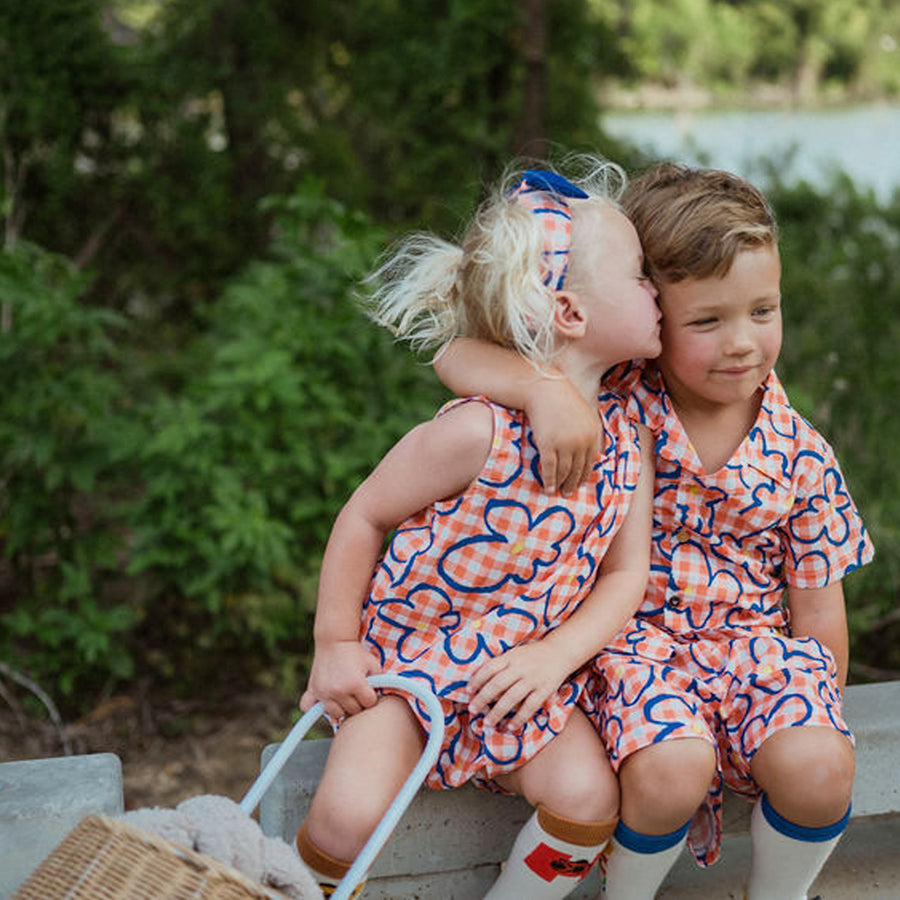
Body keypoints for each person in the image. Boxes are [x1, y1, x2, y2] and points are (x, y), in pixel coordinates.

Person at [434, 162, 875, 900]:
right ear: (649, 314)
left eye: (763, 311)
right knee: (671, 768)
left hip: (757, 655)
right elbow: (454, 353)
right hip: (631, 650)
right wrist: (542, 392)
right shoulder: (613, 395)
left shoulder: (799, 452)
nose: (742, 342)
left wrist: (810, 706)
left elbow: (819, 611)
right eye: (707, 321)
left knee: (820, 767)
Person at [295, 161, 662, 899]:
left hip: (520, 680)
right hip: (411, 671)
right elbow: (364, 513)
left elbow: (626, 574)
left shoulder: (629, 436)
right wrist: (336, 643)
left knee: (588, 799)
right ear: (570, 313)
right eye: (640, 274)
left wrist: (554, 658)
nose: (657, 288)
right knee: (344, 815)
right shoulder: (477, 433)